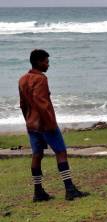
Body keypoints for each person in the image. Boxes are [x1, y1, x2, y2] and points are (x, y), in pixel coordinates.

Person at [19, 49, 89, 202]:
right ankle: (70, 189)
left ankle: (38, 192)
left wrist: (28, 120)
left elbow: (23, 105)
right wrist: (50, 124)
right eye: (46, 62)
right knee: (61, 152)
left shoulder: (22, 79)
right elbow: (42, 104)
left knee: (37, 155)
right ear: (38, 62)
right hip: (45, 123)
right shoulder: (41, 79)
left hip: (31, 124)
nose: (48, 65)